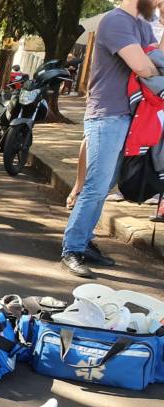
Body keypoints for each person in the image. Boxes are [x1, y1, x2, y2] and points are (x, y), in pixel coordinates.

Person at [60, 0, 159, 277]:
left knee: (105, 185)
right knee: (96, 186)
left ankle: (84, 241)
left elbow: (158, 61)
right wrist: (153, 66)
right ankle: (72, 248)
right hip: (108, 114)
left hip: (130, 115)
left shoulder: (142, 25)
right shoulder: (116, 21)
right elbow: (145, 67)